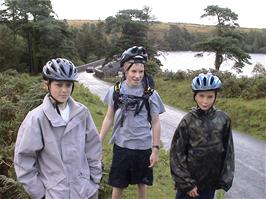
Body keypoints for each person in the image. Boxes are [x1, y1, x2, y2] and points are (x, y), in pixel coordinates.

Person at [14, 58, 102, 199]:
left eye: (68, 85)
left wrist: (94, 181)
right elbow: (24, 160)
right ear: (46, 85)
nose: (64, 90)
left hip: (85, 191)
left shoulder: (82, 113)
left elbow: (93, 148)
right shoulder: (36, 118)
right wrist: (40, 194)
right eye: (58, 84)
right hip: (54, 194)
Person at [99, 46, 165, 199]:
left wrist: (155, 149)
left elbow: (156, 122)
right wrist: (99, 140)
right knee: (118, 184)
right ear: (125, 70)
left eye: (141, 72)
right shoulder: (116, 90)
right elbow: (109, 117)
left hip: (143, 147)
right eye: (133, 71)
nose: (137, 76)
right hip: (121, 146)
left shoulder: (151, 94)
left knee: (142, 184)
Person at [170, 73, 235, 199]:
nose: (205, 101)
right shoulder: (187, 121)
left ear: (216, 96)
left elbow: (228, 151)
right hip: (189, 184)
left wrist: (224, 178)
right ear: (195, 96)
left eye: (210, 97)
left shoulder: (223, 119)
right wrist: (187, 183)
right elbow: (177, 155)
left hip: (209, 184)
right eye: (201, 96)